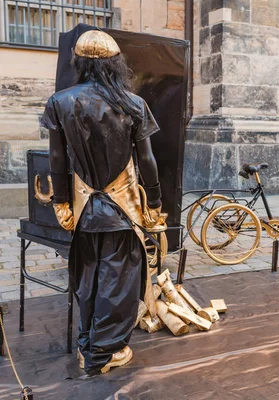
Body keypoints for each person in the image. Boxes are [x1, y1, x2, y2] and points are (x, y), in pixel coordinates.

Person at [42, 30, 163, 376]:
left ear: (79, 63)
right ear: (116, 64)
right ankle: (103, 353)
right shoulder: (133, 103)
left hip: (83, 211)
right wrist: (153, 204)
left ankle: (88, 345)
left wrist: (61, 205)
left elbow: (56, 159)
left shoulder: (60, 101)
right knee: (119, 281)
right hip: (122, 211)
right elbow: (147, 161)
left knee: (89, 277)